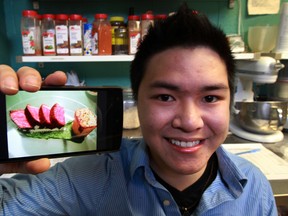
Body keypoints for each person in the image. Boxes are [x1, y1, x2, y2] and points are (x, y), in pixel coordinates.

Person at [0, 4, 277, 215]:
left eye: (211, 98)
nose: (190, 122)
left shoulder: (253, 188)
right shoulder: (88, 178)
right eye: (166, 97)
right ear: (138, 102)